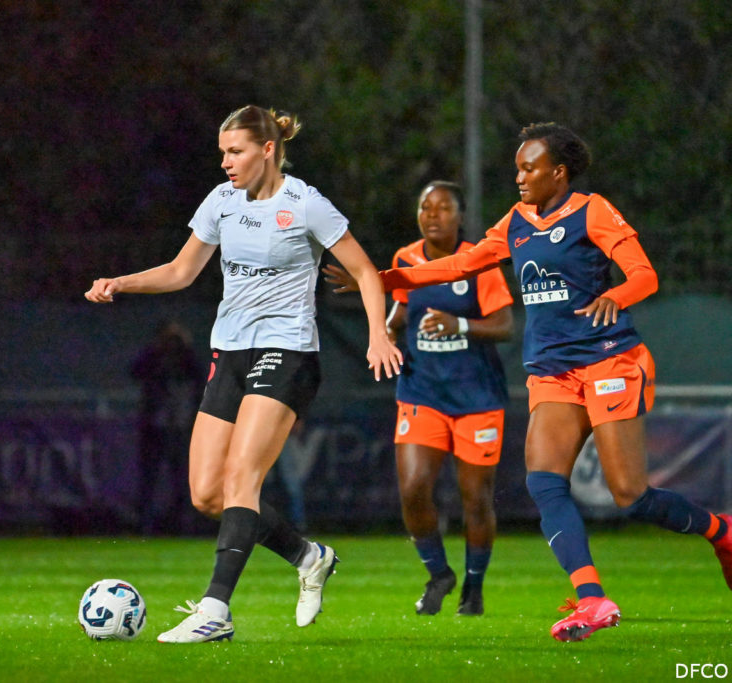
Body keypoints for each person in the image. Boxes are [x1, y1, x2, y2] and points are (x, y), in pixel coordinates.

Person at [371, 122, 732, 642]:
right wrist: (382, 280)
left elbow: (645, 275)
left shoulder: (592, 210)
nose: (519, 177)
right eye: (517, 168)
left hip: (607, 361)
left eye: (529, 168)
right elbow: (462, 264)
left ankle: (720, 531)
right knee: (543, 482)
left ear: (558, 173)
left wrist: (616, 296)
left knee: (630, 495)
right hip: (552, 371)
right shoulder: (516, 221)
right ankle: (592, 600)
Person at [85, 105, 402, 643]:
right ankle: (309, 557)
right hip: (229, 354)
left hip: (288, 352)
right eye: (222, 153)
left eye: (235, 152)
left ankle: (215, 610)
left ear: (268, 149)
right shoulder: (221, 202)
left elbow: (366, 271)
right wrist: (121, 282)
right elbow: (181, 271)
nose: (226, 162)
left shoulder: (305, 203)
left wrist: (378, 332)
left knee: (241, 479)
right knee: (208, 494)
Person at [324, 181, 514, 617]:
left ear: (460, 216)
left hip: (476, 397)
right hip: (421, 391)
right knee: (412, 489)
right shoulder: (406, 259)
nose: (432, 215)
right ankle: (439, 574)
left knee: (475, 499)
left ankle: (474, 587)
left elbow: (505, 325)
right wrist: (387, 333)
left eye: (443, 208)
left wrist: (458, 325)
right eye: (426, 207)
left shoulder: (478, 262)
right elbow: (403, 307)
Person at [130, 320, 202, 535]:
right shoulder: (154, 358)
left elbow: (200, 375)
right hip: (155, 426)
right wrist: (156, 349)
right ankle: (145, 524)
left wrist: (186, 347)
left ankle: (182, 524)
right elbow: (135, 371)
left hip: (179, 425)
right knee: (149, 479)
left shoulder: (185, 360)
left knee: (181, 478)